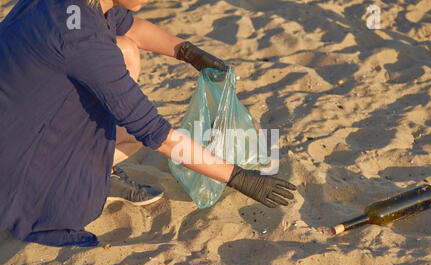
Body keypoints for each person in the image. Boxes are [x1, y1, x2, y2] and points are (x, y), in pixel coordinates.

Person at [0, 0, 296, 247]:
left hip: (16, 124)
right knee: (135, 133)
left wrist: (188, 53)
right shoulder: (84, 42)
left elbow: (131, 27)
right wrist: (239, 177)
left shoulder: (74, 7)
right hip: (15, 169)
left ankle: (104, 168)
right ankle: (79, 180)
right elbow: (158, 134)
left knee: (125, 48)